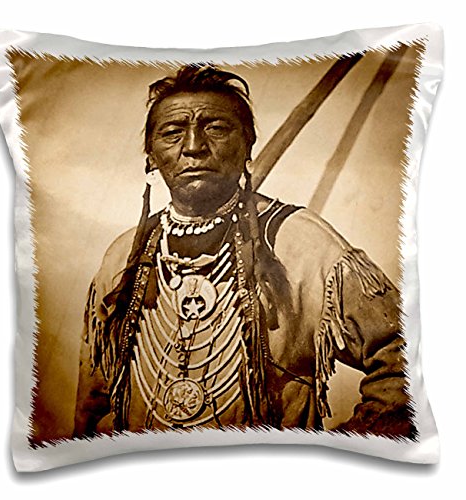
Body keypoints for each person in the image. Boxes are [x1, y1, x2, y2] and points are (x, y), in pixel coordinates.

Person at [73, 64, 414, 438]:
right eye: (172, 132)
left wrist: (342, 451)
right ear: (151, 155)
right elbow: (93, 403)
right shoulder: (125, 256)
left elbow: (407, 355)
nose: (193, 146)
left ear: (247, 145)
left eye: (216, 128)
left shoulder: (303, 244)